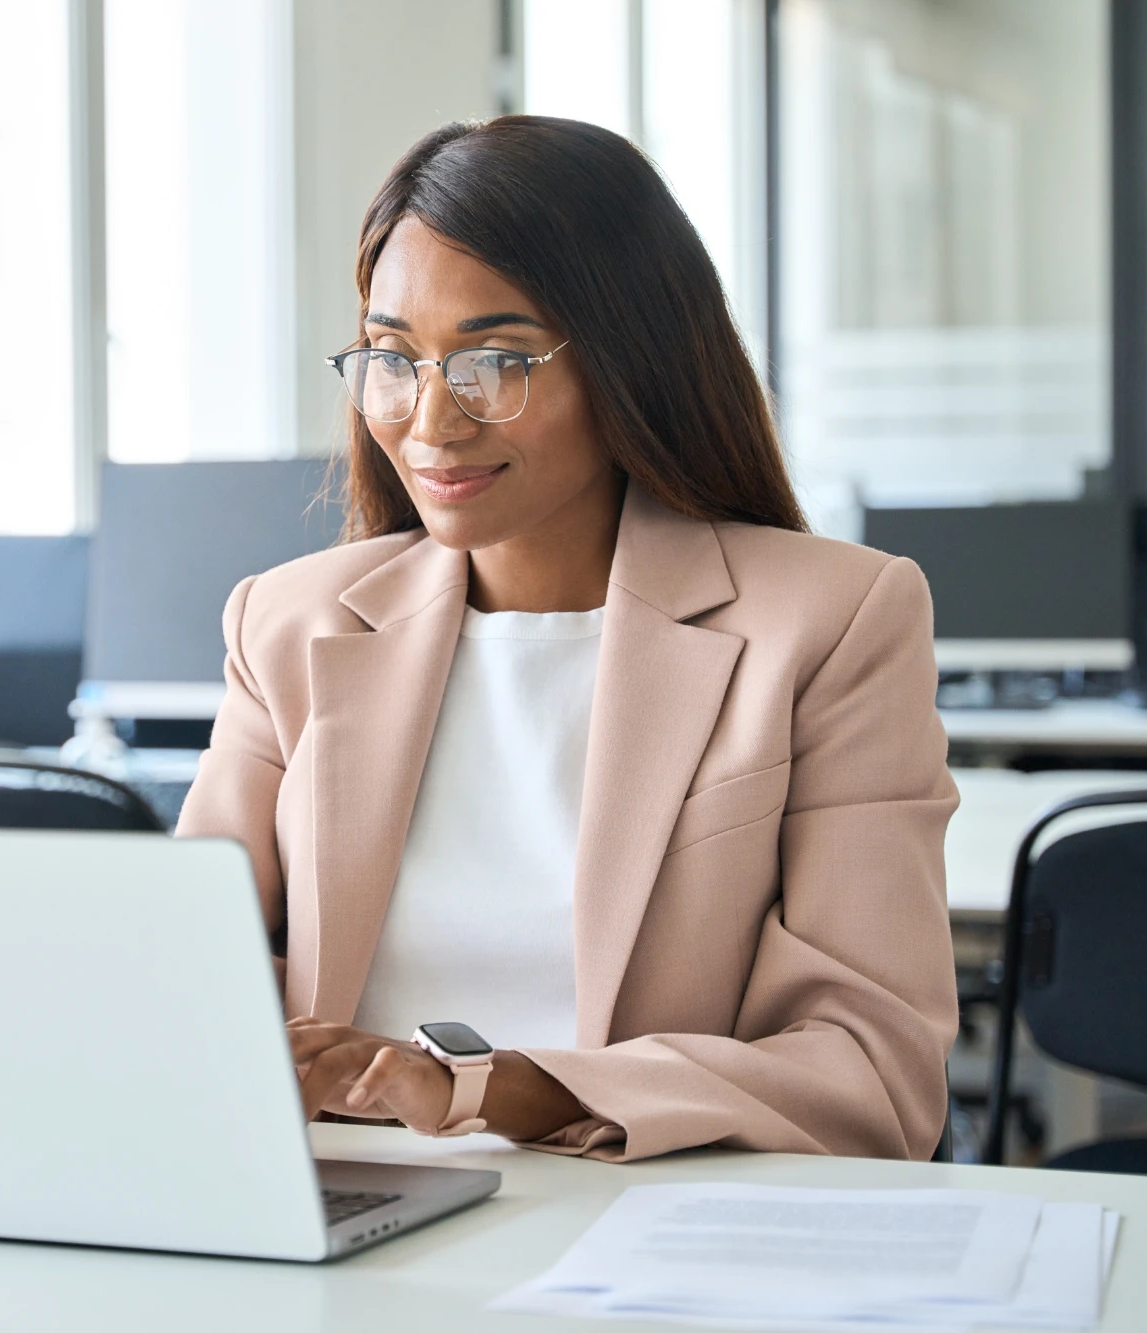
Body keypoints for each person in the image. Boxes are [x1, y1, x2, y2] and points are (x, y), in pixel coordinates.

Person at [174, 116, 958, 1162]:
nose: (430, 422)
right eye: (393, 359)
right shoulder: (286, 621)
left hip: (649, 1229)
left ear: (629, 358)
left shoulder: (828, 621)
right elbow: (178, 985)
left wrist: (486, 1090)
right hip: (346, 1219)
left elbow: (873, 1073)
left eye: (495, 360)